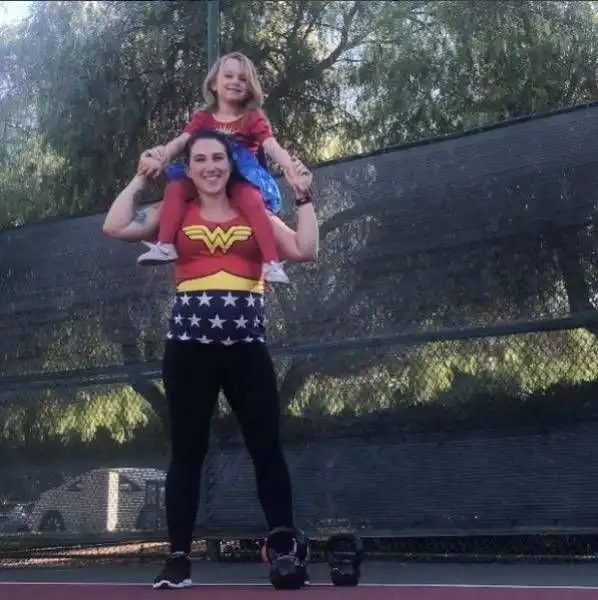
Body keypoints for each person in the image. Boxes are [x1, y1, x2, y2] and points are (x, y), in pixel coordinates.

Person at [102, 130, 319, 590]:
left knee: (266, 448)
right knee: (187, 452)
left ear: (231, 163)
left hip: (246, 350)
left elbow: (305, 249)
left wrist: (303, 197)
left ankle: (283, 550)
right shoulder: (175, 210)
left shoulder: (254, 210)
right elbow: (115, 226)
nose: (210, 167)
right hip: (188, 352)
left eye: (218, 158)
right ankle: (178, 559)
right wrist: (142, 177)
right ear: (189, 167)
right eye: (199, 159)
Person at [135, 51, 310, 285]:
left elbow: (271, 146)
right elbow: (182, 142)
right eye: (228, 76)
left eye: (243, 78)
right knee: (175, 189)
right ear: (213, 84)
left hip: (239, 177)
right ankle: (165, 245)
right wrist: (162, 155)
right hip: (209, 176)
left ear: (250, 87)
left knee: (252, 201)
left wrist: (291, 167)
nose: (235, 81)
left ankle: (271, 262)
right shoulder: (204, 117)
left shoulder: (252, 117)